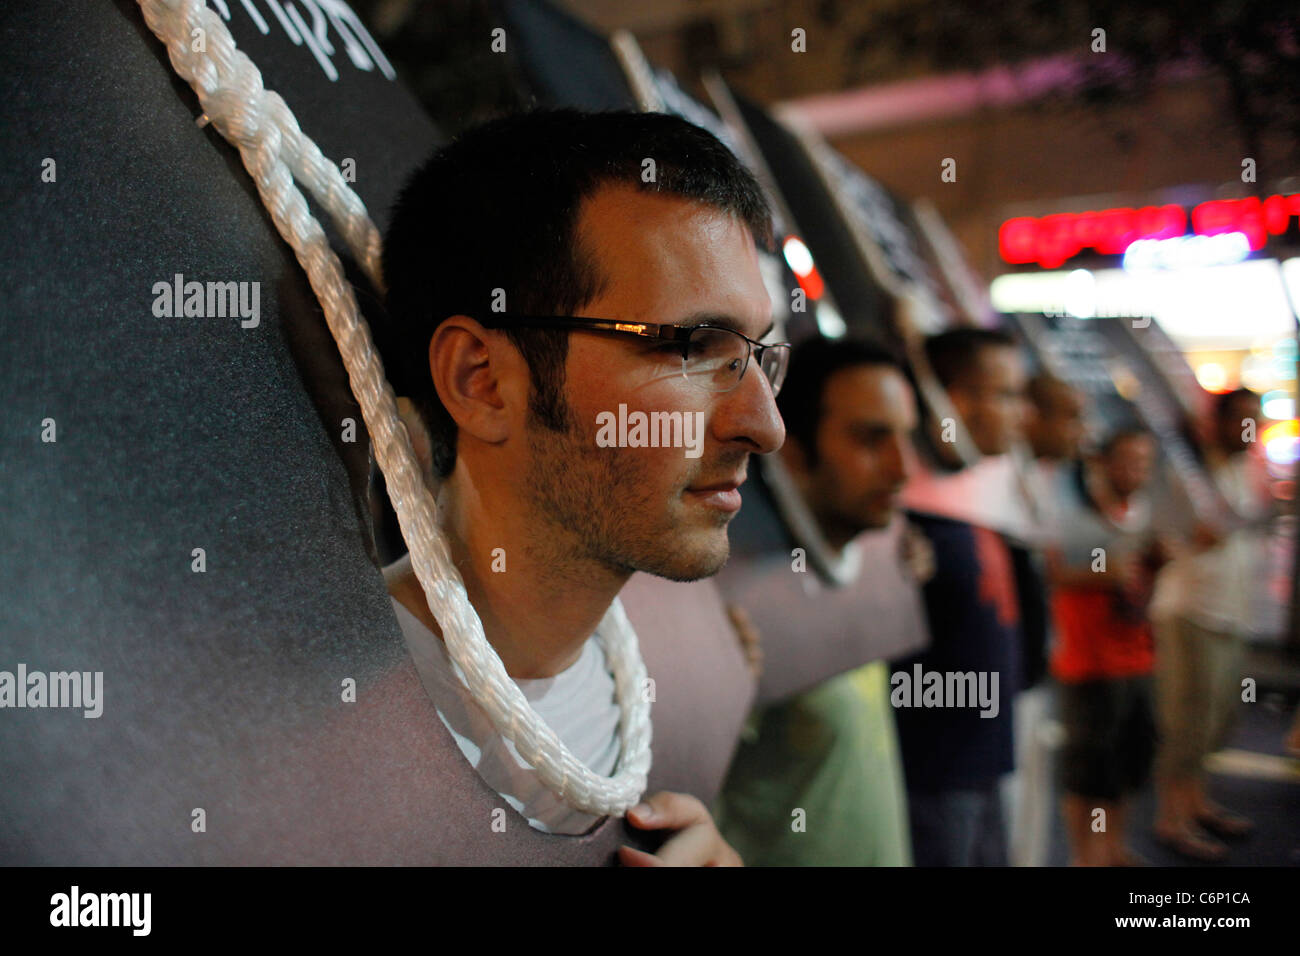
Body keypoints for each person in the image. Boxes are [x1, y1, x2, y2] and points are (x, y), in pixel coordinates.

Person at [379, 109, 787, 864]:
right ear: (484, 381)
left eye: (763, 357)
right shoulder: (303, 720)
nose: (765, 426)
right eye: (695, 346)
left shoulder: (680, 682)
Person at [712, 336, 928, 865]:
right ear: (798, 448)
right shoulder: (727, 600)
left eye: (907, 438)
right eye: (872, 440)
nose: (903, 468)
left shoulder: (875, 550)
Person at [894, 327, 1028, 866]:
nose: (1022, 413)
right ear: (954, 401)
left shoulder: (982, 492)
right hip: (932, 775)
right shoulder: (903, 510)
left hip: (984, 763)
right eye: (1006, 395)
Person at [1150, 387, 1274, 860]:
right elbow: (1159, 537)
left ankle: (1195, 802)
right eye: (1241, 419)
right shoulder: (1189, 472)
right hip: (1191, 610)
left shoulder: (1246, 470)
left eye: (1255, 421)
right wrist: (1193, 541)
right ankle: (1171, 818)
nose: (1249, 430)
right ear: (1217, 422)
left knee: (1217, 717)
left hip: (1231, 611)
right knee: (1187, 722)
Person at [1049, 428, 1165, 866]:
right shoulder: (1072, 512)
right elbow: (1051, 572)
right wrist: (1106, 575)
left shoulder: (1137, 513)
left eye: (1144, 462)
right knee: (1090, 773)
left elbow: (1136, 576)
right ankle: (1086, 857)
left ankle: (1112, 849)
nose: (1137, 471)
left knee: (1129, 763)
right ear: (1101, 462)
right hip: (1090, 663)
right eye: (1128, 460)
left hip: (1137, 655)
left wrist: (1153, 563)